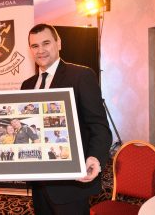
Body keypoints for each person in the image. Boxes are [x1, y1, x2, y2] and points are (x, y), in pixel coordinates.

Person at [21, 23, 112, 215]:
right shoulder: (27, 85)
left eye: (46, 43)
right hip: (38, 183)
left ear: (58, 43)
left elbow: (99, 126)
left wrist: (94, 157)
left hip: (71, 184)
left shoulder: (81, 75)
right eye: (35, 46)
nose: (40, 50)